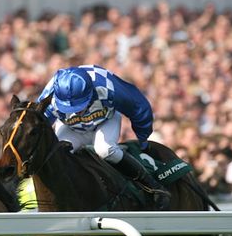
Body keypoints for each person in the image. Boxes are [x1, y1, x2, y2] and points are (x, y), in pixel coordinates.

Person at [36, 65, 170, 210]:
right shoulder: (49, 96)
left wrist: (143, 138)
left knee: (105, 149)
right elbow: (37, 123)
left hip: (105, 121)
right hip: (71, 128)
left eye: (79, 105)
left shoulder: (107, 86)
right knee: (56, 156)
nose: (76, 112)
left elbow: (138, 106)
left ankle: (152, 186)